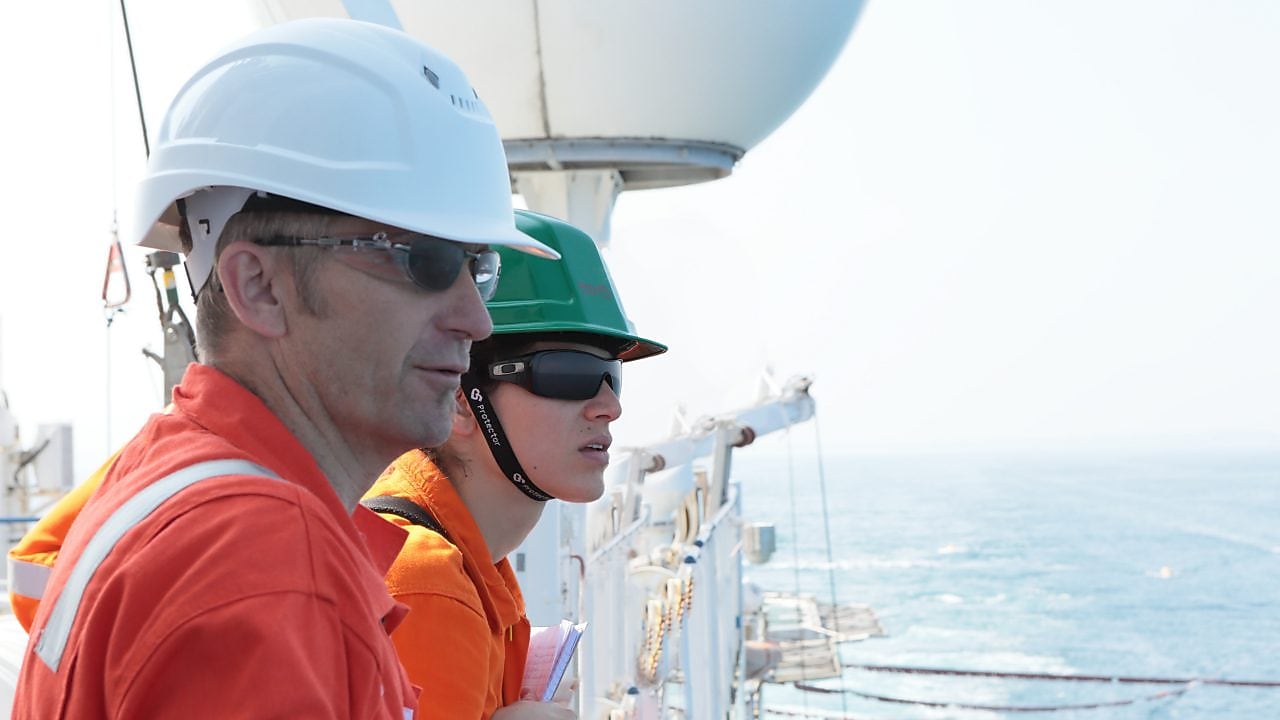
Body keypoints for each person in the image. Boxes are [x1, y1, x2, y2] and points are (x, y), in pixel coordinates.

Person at [12, 18, 557, 718]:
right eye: (425, 261)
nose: (476, 321)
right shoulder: (265, 568)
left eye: (479, 269)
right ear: (260, 288)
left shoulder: (169, 484)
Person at [362, 210, 666, 719]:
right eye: (568, 373)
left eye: (612, 376)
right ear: (460, 400)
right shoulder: (426, 585)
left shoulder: (478, 566)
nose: (607, 406)